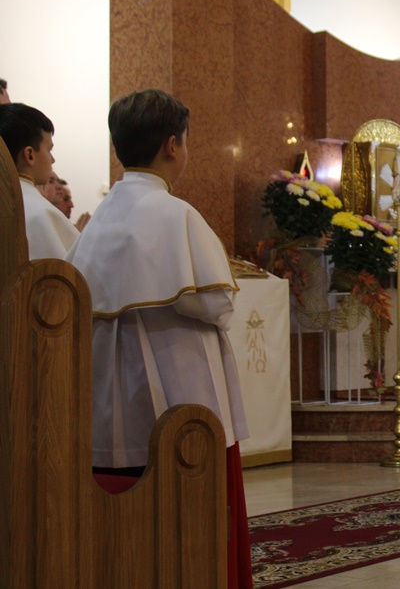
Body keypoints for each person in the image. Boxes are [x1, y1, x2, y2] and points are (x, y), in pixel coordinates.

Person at [67, 89, 252, 588]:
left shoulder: (95, 224)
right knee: (191, 526)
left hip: (108, 411)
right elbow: (216, 303)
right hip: (181, 400)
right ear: (173, 145)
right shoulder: (176, 215)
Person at [0, 103, 79, 259]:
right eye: (49, 150)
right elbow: (72, 271)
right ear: (29, 155)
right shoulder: (38, 213)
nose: (53, 159)